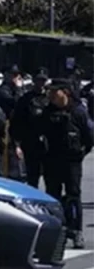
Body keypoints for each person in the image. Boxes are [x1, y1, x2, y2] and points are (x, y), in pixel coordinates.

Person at [41, 80, 93, 249]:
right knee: (52, 197)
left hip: (72, 162)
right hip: (51, 161)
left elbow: (89, 137)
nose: (50, 95)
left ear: (65, 92)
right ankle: (56, 232)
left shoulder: (78, 111)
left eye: (54, 92)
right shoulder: (47, 112)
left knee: (73, 196)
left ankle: (76, 231)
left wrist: (80, 154)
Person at [11, 72, 52, 188]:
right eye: (39, 80)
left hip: (49, 143)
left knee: (51, 178)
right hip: (31, 142)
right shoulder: (25, 99)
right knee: (32, 176)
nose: (41, 84)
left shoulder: (51, 99)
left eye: (44, 81)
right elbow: (17, 121)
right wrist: (17, 143)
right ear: (34, 81)